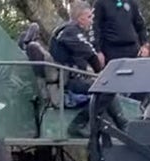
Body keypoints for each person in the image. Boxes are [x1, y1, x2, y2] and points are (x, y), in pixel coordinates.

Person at [50, 0, 128, 137]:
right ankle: (79, 124)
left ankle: (122, 123)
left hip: (73, 78)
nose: (91, 21)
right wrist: (101, 74)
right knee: (106, 88)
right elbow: (91, 54)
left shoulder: (72, 31)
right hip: (68, 83)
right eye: (89, 17)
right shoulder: (70, 31)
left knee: (106, 86)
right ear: (80, 18)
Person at [92, 0, 150, 64]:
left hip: (132, 50)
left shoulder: (131, 2)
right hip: (111, 50)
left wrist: (145, 45)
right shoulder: (100, 3)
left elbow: (141, 26)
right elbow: (95, 28)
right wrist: (98, 51)